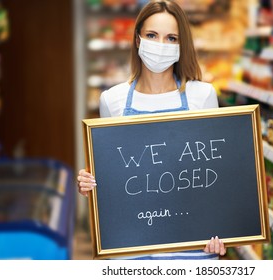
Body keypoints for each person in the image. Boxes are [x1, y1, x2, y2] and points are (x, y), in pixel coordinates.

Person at [77, 0, 226, 260]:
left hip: (190, 251)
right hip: (132, 251)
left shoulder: (202, 96)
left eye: (171, 38)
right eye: (152, 35)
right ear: (137, 40)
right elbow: (114, 177)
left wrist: (223, 231)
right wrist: (92, 183)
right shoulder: (113, 100)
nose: (160, 46)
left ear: (182, 46)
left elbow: (213, 178)